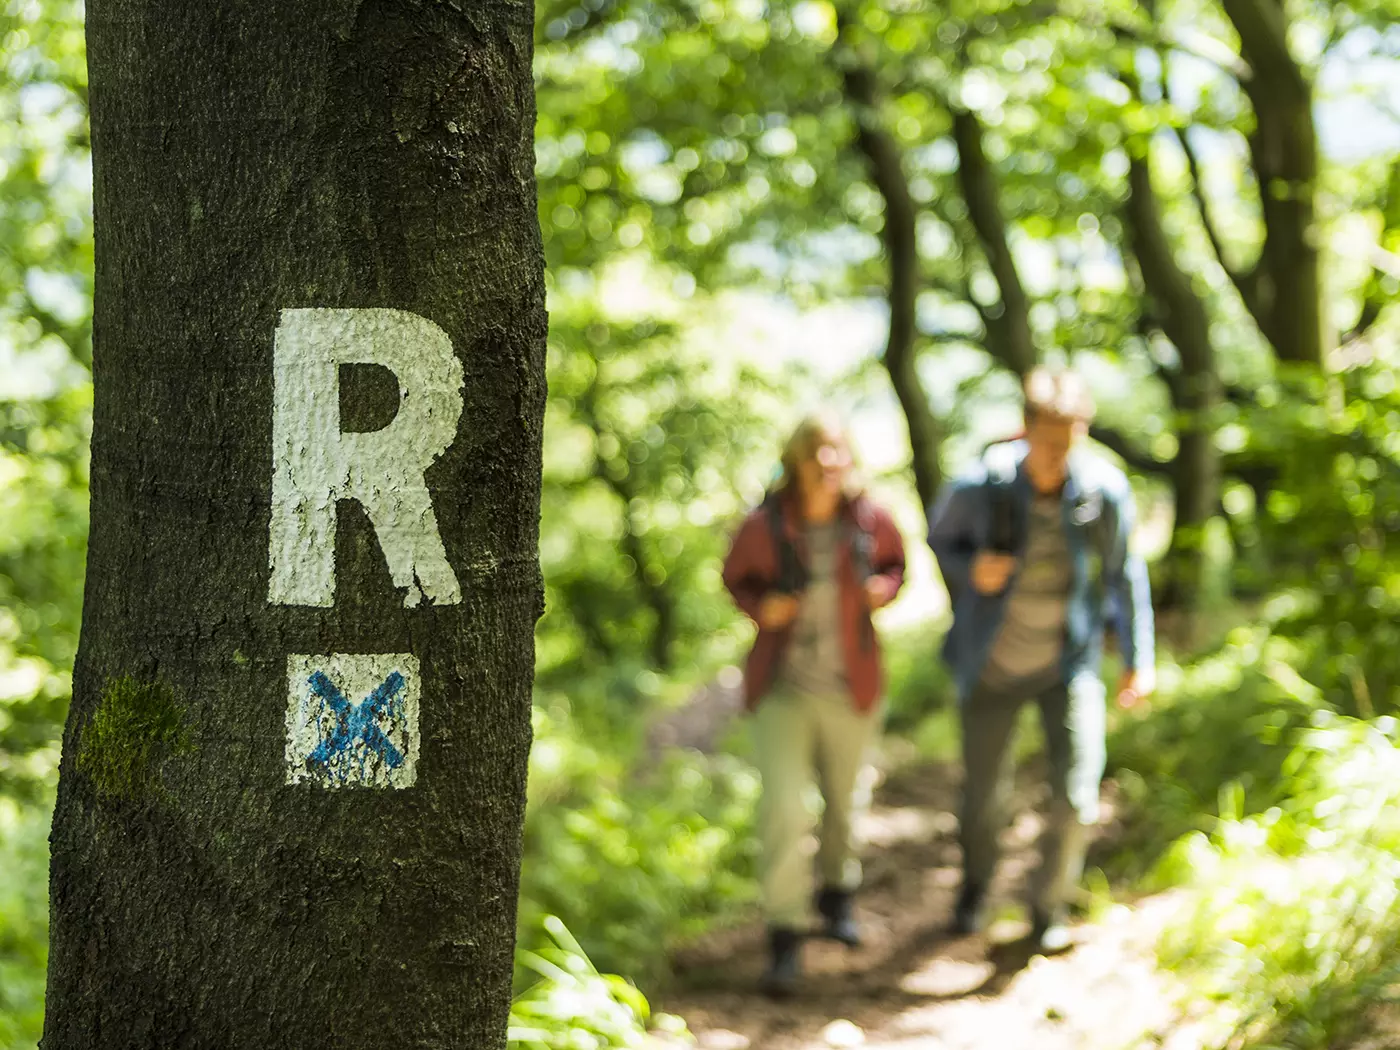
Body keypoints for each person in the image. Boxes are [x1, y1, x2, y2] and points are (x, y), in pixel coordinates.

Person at [926, 367, 1155, 954]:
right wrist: (970, 570)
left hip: (1067, 664)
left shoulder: (1103, 490)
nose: (1058, 454)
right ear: (1025, 430)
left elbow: (1125, 573)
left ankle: (1047, 907)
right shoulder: (982, 485)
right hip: (990, 666)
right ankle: (976, 889)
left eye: (1069, 439)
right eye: (1048, 439)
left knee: (1077, 794)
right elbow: (939, 540)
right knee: (983, 801)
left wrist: (1138, 658)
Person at [722, 413, 906, 997]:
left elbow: (898, 565)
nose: (829, 464)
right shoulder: (764, 525)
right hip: (784, 689)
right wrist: (761, 608)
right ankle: (784, 933)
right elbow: (735, 579)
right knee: (783, 807)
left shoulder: (871, 519)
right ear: (797, 462)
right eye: (816, 454)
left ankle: (837, 895)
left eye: (838, 453)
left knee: (846, 803)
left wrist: (884, 589)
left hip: (852, 686)